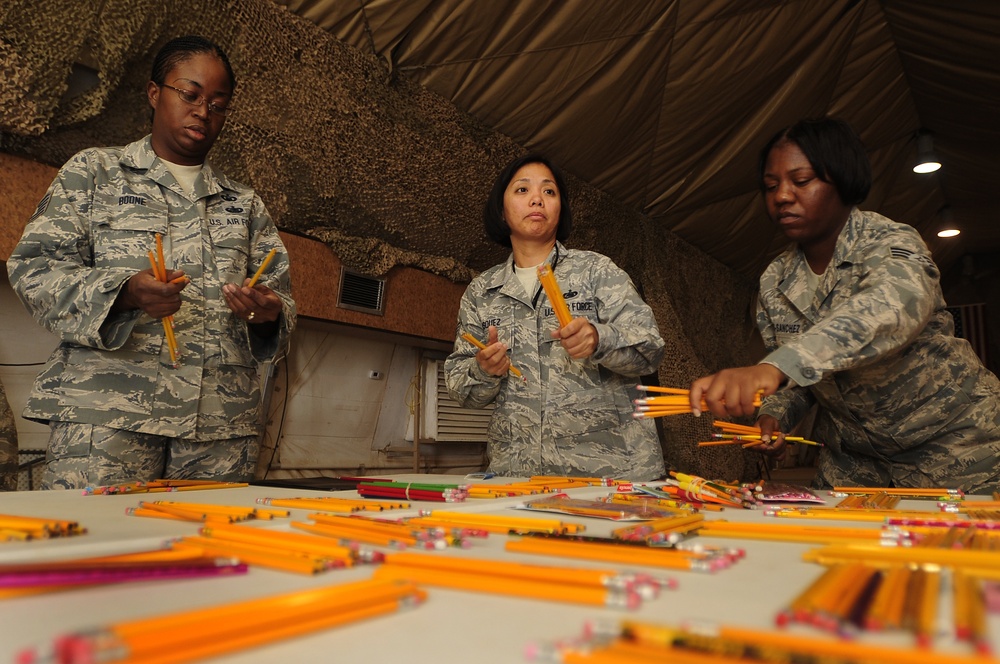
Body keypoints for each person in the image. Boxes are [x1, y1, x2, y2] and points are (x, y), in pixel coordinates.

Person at [7, 35, 296, 490]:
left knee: (204, 556)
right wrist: (123, 294)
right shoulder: (95, 173)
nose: (204, 111)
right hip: (107, 418)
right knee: (94, 550)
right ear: (154, 92)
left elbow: (280, 300)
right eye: (191, 94)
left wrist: (266, 314)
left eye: (219, 103)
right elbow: (34, 268)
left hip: (218, 432)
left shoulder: (245, 204)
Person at [689, 117, 1000, 493]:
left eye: (801, 181)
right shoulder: (774, 280)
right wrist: (773, 418)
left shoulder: (889, 240)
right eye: (771, 186)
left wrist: (776, 366)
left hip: (954, 445)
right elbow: (799, 381)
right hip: (856, 459)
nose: (783, 196)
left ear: (842, 179)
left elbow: (892, 309)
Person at [444, 154, 666, 481]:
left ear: (559, 209)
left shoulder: (596, 271)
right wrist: (484, 369)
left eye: (549, 192)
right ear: (501, 212)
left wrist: (599, 339)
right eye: (522, 190)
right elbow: (460, 388)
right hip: (518, 475)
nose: (537, 198)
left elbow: (650, 351)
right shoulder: (482, 292)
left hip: (609, 474)